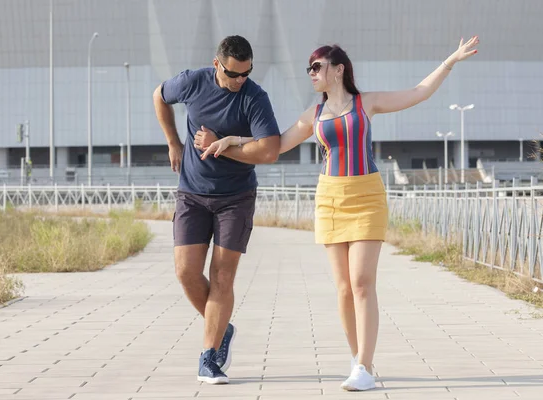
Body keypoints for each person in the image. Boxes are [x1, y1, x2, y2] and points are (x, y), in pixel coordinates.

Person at [197, 36, 479, 391]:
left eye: (317, 67)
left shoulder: (367, 103)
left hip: (366, 196)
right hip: (330, 198)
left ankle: (363, 366)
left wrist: (450, 60)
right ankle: (358, 357)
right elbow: (277, 143)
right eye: (309, 69)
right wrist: (233, 141)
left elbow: (419, 92)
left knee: (362, 283)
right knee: (344, 288)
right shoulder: (314, 114)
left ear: (338, 69)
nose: (311, 74)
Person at [152, 35, 280, 385]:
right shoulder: (192, 82)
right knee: (185, 272)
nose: (240, 80)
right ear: (216, 64)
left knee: (222, 276)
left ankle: (208, 357)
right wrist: (173, 142)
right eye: (233, 74)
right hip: (192, 194)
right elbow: (159, 96)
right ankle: (222, 328)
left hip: (236, 198)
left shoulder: (254, 97)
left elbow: (269, 151)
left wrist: (221, 148)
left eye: (246, 73)